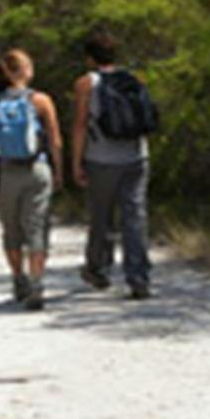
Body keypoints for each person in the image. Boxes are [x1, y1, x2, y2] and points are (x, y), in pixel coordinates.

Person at [0, 48, 63, 310]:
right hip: (37, 170)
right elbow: (54, 141)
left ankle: (18, 278)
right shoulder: (41, 101)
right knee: (36, 228)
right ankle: (37, 284)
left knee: (11, 230)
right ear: (21, 71)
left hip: (5, 173)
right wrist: (59, 172)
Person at [71, 28, 155, 299]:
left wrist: (76, 162)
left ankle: (98, 269)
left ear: (89, 58)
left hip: (101, 159)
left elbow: (80, 126)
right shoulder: (134, 79)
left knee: (101, 217)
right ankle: (138, 278)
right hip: (136, 156)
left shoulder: (87, 83)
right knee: (135, 217)